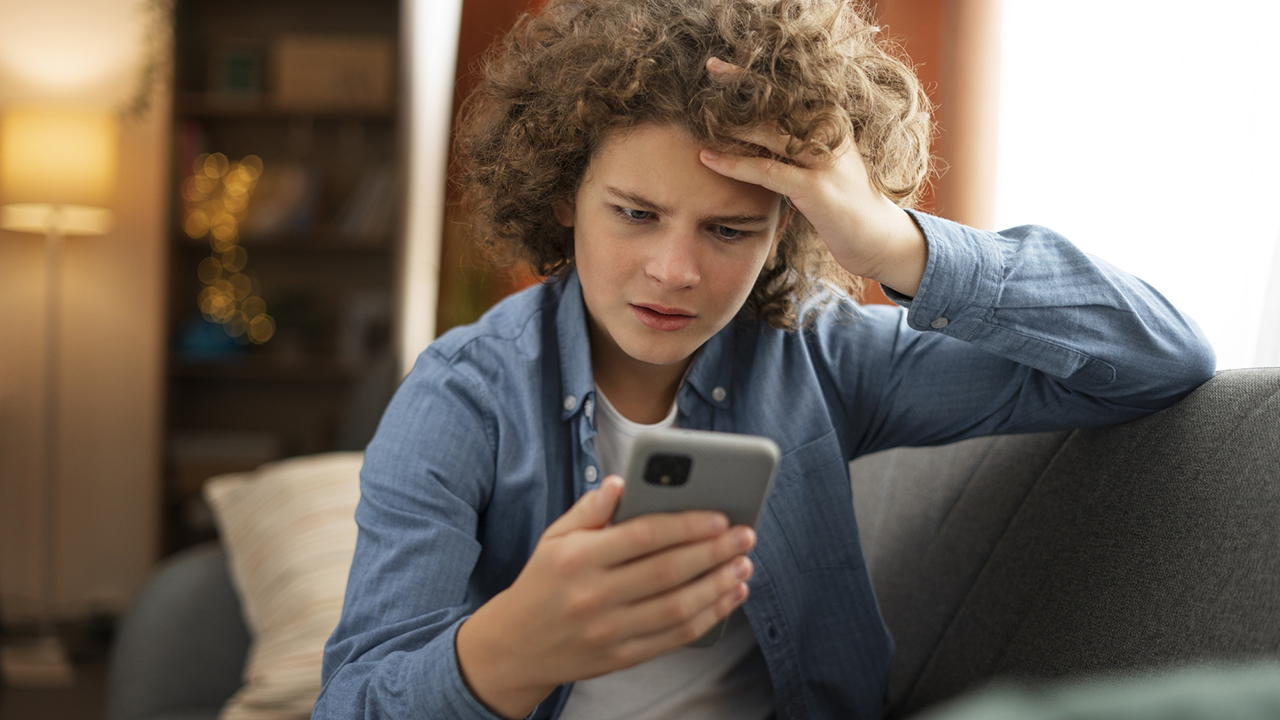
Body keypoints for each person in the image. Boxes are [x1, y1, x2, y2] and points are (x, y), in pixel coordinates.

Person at [314, 0, 1216, 718]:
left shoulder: (819, 356)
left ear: (786, 230)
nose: (674, 270)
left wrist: (897, 246)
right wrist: (512, 648)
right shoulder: (461, 397)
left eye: (729, 229)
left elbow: (1159, 357)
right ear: (564, 196)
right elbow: (354, 704)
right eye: (635, 212)